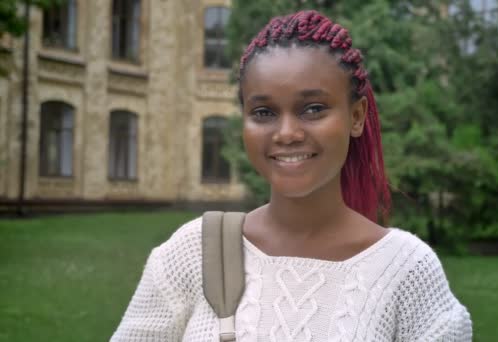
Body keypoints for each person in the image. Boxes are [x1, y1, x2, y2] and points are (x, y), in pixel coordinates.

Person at [111, 10, 472, 341]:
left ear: (357, 116)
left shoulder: (405, 273)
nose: (286, 133)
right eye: (264, 112)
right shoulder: (192, 254)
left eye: (313, 108)